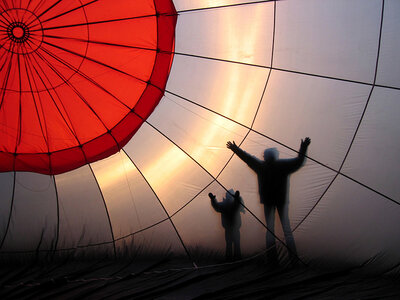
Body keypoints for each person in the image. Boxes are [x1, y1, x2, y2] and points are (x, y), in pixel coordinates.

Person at [226, 138, 311, 263]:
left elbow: (247, 158)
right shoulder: (282, 166)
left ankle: (272, 259)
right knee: (285, 229)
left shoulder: (261, 166)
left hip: (268, 201)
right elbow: (299, 162)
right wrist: (303, 147)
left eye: (265, 155)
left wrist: (235, 149)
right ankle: (293, 258)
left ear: (266, 157)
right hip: (280, 200)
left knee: (270, 230)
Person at [209, 189, 244, 261]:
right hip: (231, 227)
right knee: (232, 244)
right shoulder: (228, 204)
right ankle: (234, 259)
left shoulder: (227, 204)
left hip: (231, 228)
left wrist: (213, 200)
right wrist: (213, 199)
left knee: (232, 244)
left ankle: (232, 259)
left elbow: (217, 206)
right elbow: (217, 206)